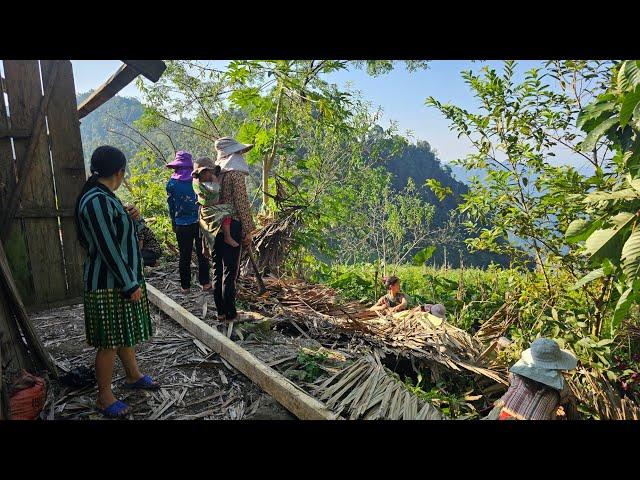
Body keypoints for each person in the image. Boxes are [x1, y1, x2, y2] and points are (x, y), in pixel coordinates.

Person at [74, 146, 160, 419]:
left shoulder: (106, 198)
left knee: (122, 332)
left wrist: (132, 219)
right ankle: (104, 396)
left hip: (119, 281)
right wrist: (129, 284)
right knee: (108, 342)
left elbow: (122, 236)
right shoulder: (96, 201)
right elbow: (108, 248)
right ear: (119, 171)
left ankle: (133, 375)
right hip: (108, 285)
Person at [213, 137, 257, 322]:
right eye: (238, 151)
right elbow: (241, 203)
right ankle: (231, 313)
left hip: (215, 224)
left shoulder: (216, 173)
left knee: (217, 269)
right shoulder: (235, 174)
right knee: (230, 271)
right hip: (234, 223)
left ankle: (220, 311)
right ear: (232, 154)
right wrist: (248, 230)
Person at [487, 337, 578, 420]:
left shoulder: (516, 374)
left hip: (500, 416)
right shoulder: (562, 388)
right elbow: (571, 409)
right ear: (557, 363)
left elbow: (511, 382)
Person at [166, 150, 211, 294]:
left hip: (181, 224)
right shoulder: (197, 181)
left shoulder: (172, 184)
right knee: (202, 253)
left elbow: (171, 206)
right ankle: (205, 283)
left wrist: (174, 222)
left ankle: (185, 286)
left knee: (184, 255)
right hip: (199, 222)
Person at [191, 157, 237, 253]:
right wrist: (214, 179)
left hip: (205, 207)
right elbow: (215, 190)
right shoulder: (202, 183)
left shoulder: (197, 182)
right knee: (228, 212)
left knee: (205, 228)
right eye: (210, 172)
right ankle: (227, 237)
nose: (212, 174)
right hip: (210, 207)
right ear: (203, 172)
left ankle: (206, 247)